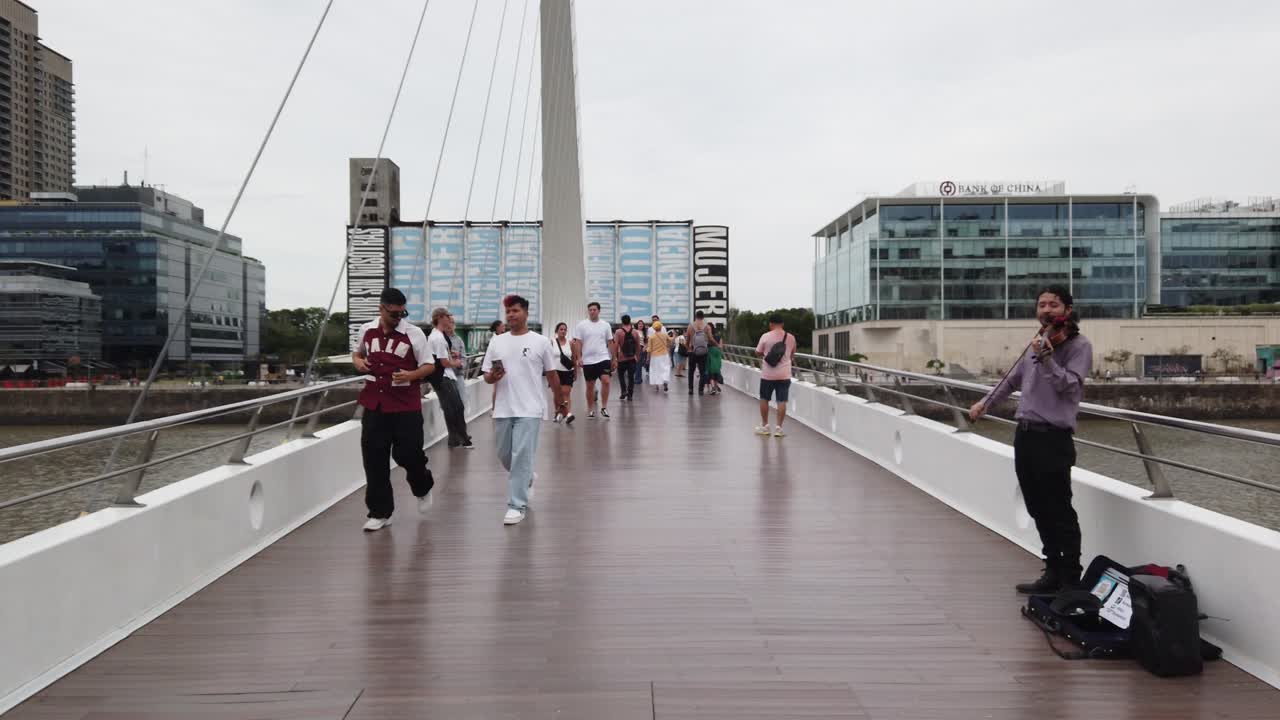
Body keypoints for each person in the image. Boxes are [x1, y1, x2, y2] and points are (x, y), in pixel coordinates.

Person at [968, 285, 1093, 595]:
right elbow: (1012, 380)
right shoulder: (1037, 343)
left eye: (1053, 304)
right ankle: (1051, 570)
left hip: (1054, 438)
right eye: (1042, 305)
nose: (1046, 310)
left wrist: (1048, 360)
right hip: (1025, 436)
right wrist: (986, 403)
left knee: (1060, 510)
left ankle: (1070, 577)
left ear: (1067, 309)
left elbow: (1070, 387)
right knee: (1037, 507)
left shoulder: (1078, 345)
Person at [350, 287, 436, 532]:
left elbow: (429, 365)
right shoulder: (366, 330)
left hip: (405, 405)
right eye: (394, 314)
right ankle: (380, 512)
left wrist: (411, 374)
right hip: (374, 404)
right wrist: (358, 362)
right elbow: (357, 354)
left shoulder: (414, 334)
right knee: (374, 459)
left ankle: (423, 486)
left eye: (402, 313)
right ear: (381, 309)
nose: (399, 318)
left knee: (408, 454)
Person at [482, 294, 563, 525]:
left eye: (515, 311)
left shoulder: (540, 342)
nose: (511, 315)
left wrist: (561, 402)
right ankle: (527, 476)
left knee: (521, 456)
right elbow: (487, 376)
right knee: (504, 455)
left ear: (526, 313)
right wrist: (493, 376)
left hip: (530, 408)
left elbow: (552, 374)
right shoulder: (497, 341)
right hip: (504, 407)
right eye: (508, 312)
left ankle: (517, 505)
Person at [427, 307, 473, 450]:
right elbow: (444, 362)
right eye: (447, 317)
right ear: (440, 317)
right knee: (454, 408)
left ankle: (458, 438)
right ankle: (460, 438)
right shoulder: (438, 338)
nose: (449, 320)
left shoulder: (438, 336)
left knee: (454, 408)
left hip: (446, 377)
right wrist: (456, 362)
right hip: (444, 377)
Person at [754, 314, 796, 437]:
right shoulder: (791, 337)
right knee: (782, 401)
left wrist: (764, 353)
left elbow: (758, 352)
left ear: (770, 324)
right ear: (782, 324)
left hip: (768, 375)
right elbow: (792, 353)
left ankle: (765, 426)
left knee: (764, 399)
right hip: (784, 375)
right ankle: (779, 428)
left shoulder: (765, 336)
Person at [572, 301, 616, 419]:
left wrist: (614, 358)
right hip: (588, 360)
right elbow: (578, 342)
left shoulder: (605, 325)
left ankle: (604, 407)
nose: (592, 312)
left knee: (606, 381)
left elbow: (610, 342)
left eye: (594, 310)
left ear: (599, 311)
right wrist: (579, 357)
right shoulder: (581, 325)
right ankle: (591, 409)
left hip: (603, 357)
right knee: (590, 385)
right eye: (590, 310)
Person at [685, 311, 718, 395]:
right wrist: (717, 345)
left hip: (692, 351)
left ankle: (691, 389)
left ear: (696, 316)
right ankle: (700, 390)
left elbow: (687, 340)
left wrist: (688, 348)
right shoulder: (707, 326)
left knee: (691, 371)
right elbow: (710, 339)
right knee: (702, 372)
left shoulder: (690, 326)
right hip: (703, 352)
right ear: (703, 317)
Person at [550, 322, 577, 425]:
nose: (563, 331)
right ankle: (558, 412)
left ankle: (567, 414)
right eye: (561, 329)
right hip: (555, 372)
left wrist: (575, 372)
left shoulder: (570, 344)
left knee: (566, 392)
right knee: (557, 393)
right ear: (556, 331)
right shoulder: (551, 342)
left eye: (565, 329)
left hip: (568, 372)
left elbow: (574, 358)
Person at [614, 314, 643, 402]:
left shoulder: (618, 332)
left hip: (621, 358)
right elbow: (638, 346)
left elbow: (615, 345)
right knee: (631, 377)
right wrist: (637, 356)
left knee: (621, 376)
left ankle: (623, 391)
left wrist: (614, 357)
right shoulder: (635, 332)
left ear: (622, 322)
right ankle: (630, 395)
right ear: (630, 321)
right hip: (632, 358)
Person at [646, 319, 672, 393]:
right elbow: (670, 341)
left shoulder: (651, 337)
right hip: (664, 355)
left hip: (655, 356)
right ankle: (665, 383)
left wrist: (648, 358)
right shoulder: (665, 334)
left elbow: (649, 349)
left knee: (656, 370)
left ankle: (657, 385)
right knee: (665, 369)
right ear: (661, 327)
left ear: (654, 328)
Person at [705, 326, 725, 395]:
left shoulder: (708, 337)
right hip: (718, 354)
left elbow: (705, 346)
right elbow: (721, 347)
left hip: (710, 353)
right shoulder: (719, 337)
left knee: (710, 371)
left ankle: (713, 387)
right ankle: (716, 386)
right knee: (717, 371)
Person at [633, 320, 650, 387]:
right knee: (637, 365)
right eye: (639, 324)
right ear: (637, 325)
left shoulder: (644, 332)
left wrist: (645, 348)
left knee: (639, 364)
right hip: (636, 349)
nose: (641, 325)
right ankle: (637, 379)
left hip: (643, 349)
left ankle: (638, 379)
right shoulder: (634, 331)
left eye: (642, 324)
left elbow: (646, 341)